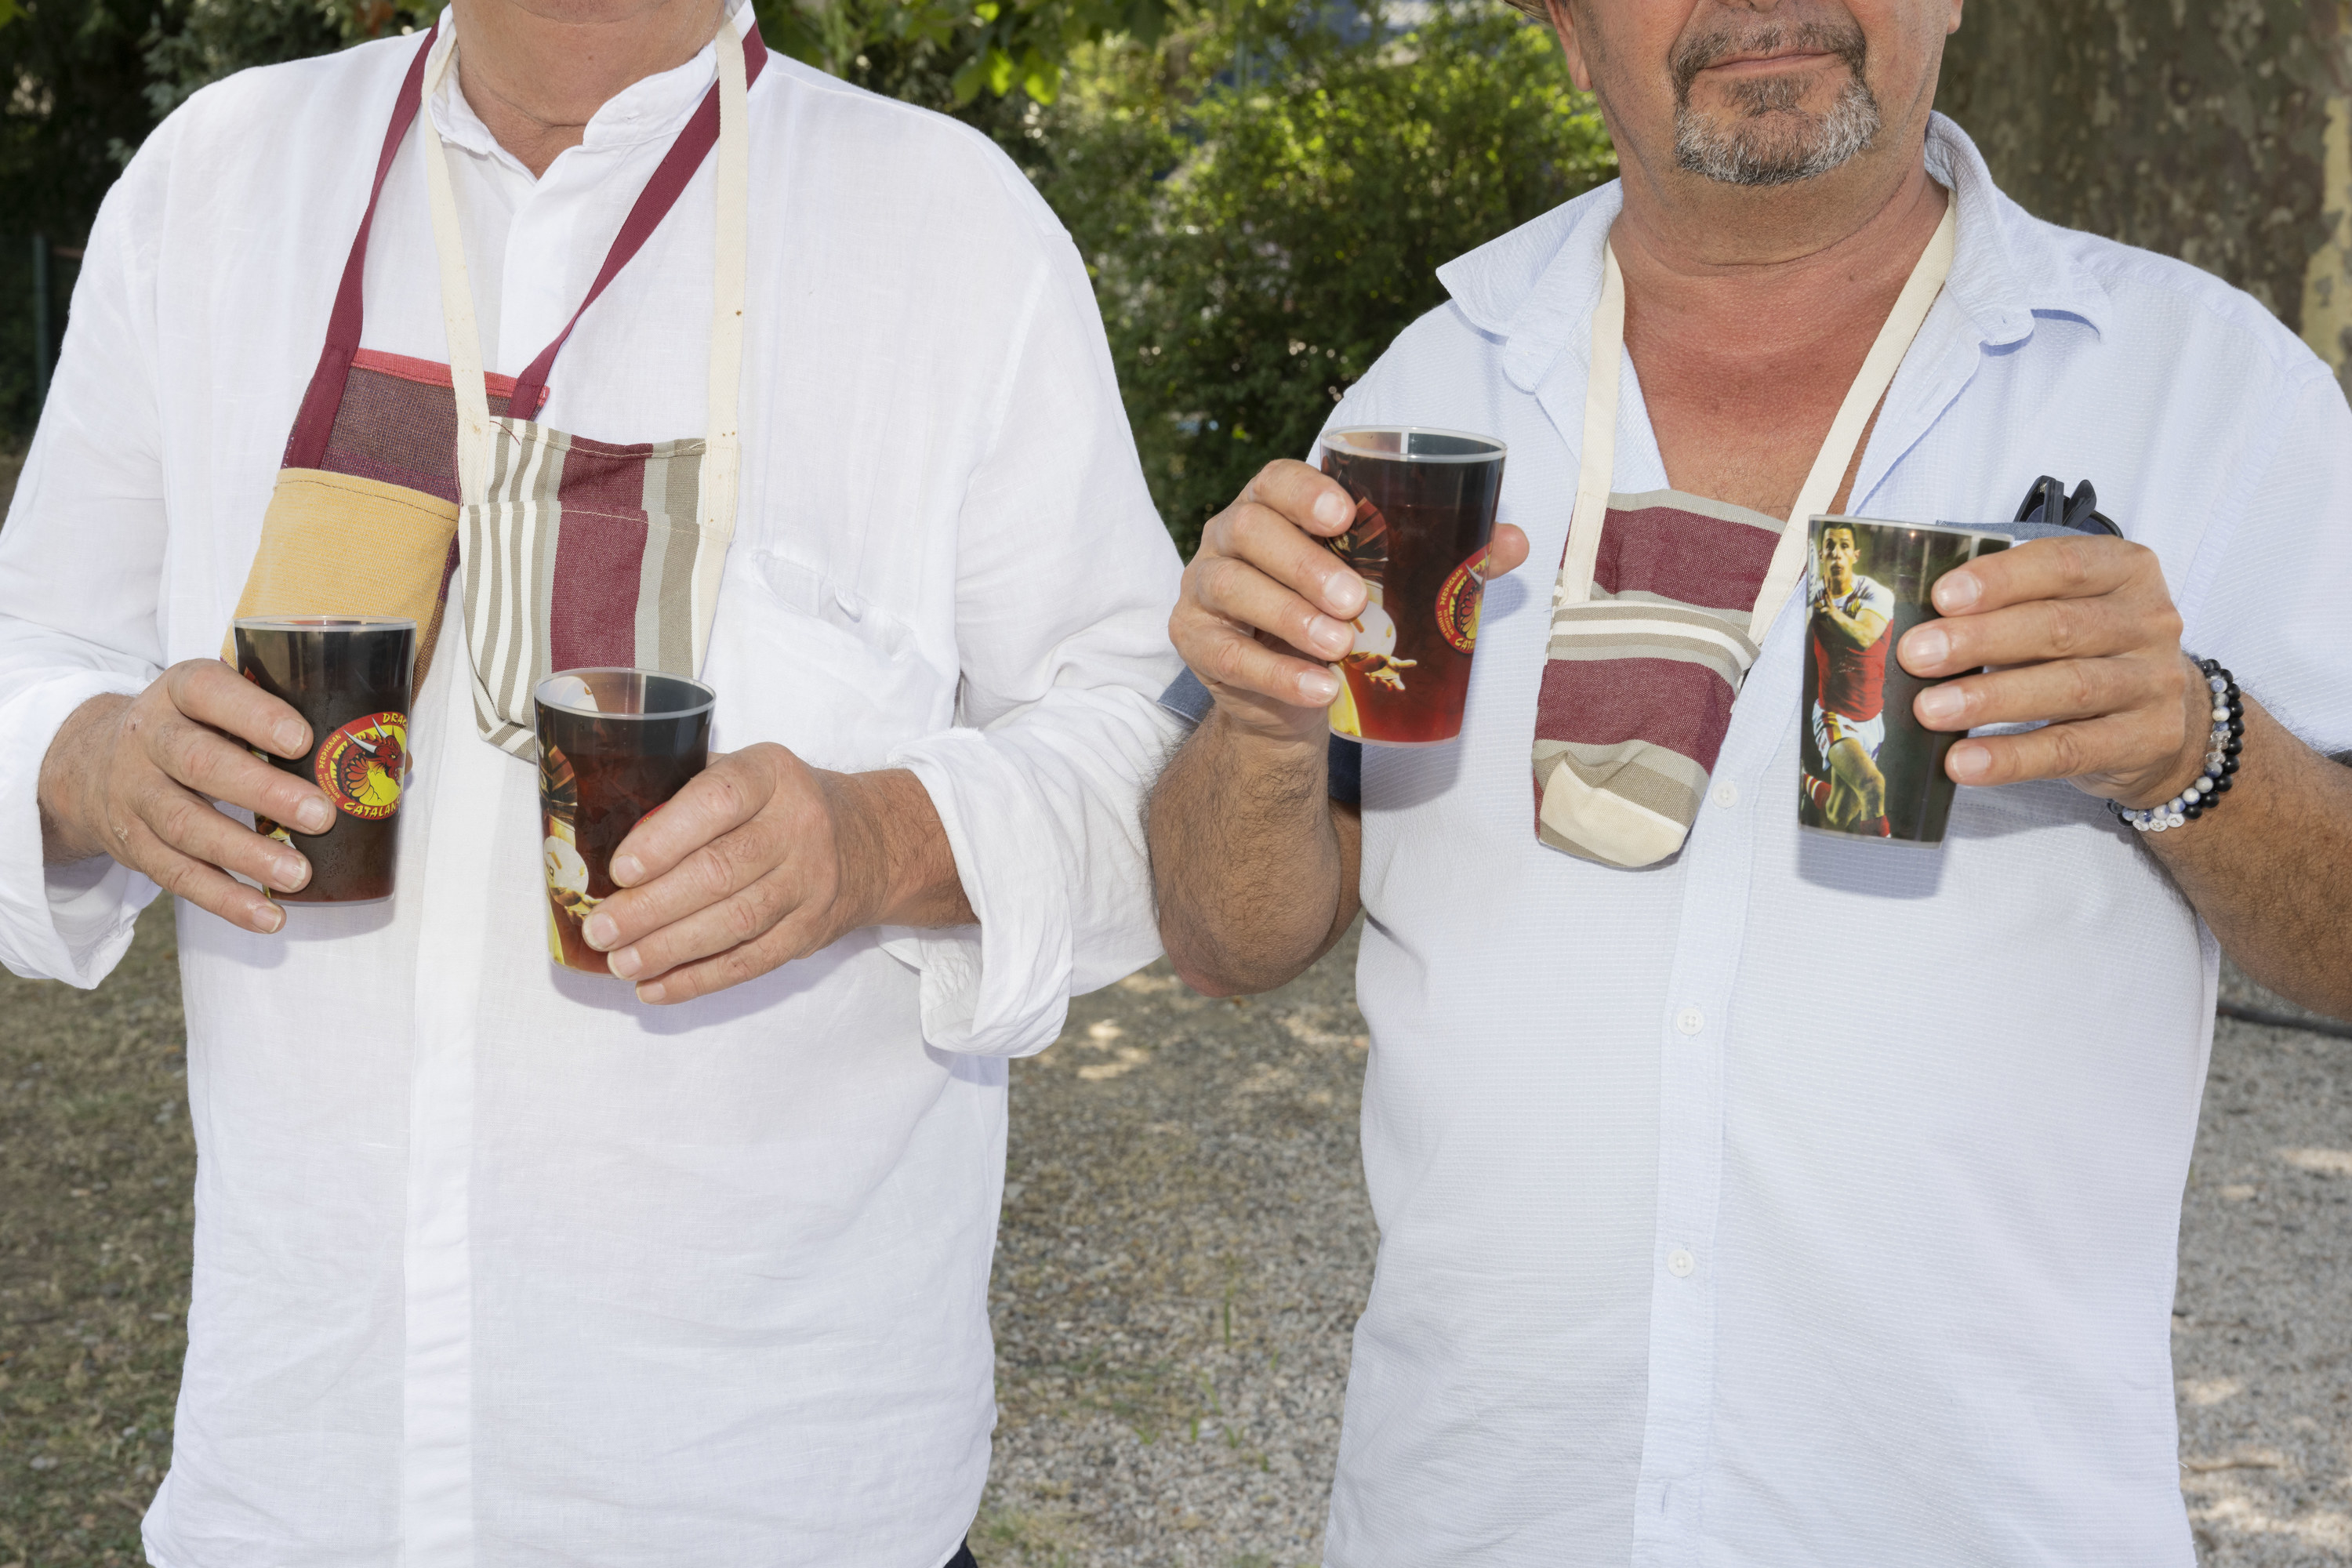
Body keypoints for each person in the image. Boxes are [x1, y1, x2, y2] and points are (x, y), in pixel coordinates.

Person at [1147, 0, 2352, 1563]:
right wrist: (1253, 726)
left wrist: (2199, 748)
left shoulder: (2203, 389)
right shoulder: (1436, 394)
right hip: (1484, 1512)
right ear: (1570, 34)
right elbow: (1223, 938)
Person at [0, 0, 1181, 1562]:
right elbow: (34, 644)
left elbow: (1146, 746)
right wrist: (88, 759)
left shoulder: (950, 226)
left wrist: (875, 836)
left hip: (779, 1496)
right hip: (301, 1480)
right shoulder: (216, 182)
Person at [1804, 521, 1894, 831]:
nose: (1837, 554)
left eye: (1844, 546)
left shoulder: (1875, 593)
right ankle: (1883, 870)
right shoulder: (1811, 598)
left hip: (1872, 719)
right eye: (1830, 547)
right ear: (1821, 554)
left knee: (1840, 814)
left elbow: (1866, 637)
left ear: (1854, 554)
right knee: (1872, 785)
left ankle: (1808, 783)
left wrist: (1832, 616)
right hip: (1834, 715)